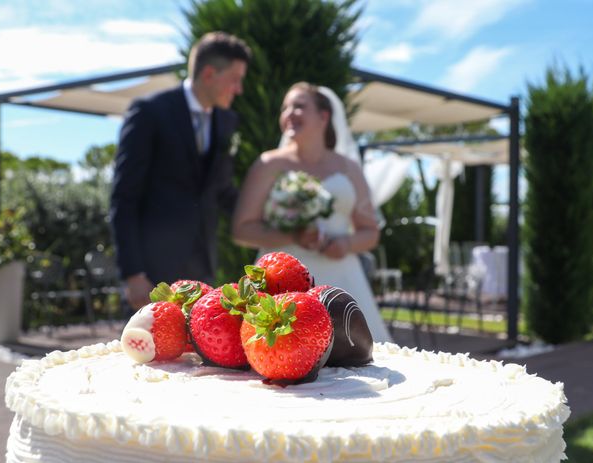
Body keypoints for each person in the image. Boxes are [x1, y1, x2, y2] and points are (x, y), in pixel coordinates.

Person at [232, 82, 392, 343]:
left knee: (353, 355)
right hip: (279, 279)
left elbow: (370, 232)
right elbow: (242, 230)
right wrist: (293, 236)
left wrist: (346, 243)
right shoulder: (268, 164)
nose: (289, 113)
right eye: (285, 108)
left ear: (324, 116)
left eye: (299, 106)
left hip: (342, 277)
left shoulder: (349, 168)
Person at [110, 32, 252, 310]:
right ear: (210, 73)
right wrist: (132, 273)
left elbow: (222, 189)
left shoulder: (227, 121)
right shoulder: (150, 112)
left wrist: (271, 218)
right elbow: (124, 197)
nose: (239, 89)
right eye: (235, 79)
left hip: (204, 271)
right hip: (152, 274)